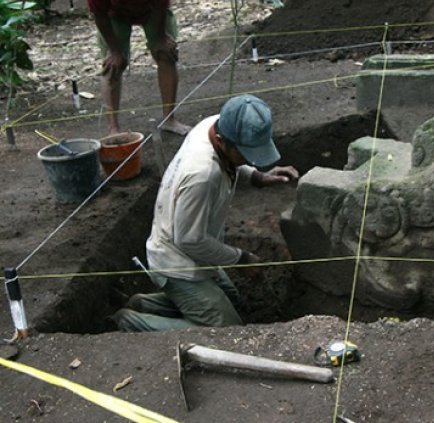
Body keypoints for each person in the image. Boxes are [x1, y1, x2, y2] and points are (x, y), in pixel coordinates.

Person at [112, 95, 299, 331]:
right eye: (246, 153)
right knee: (225, 331)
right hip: (176, 261)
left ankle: (146, 305)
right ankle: (131, 321)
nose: (251, 159)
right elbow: (190, 240)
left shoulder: (213, 125)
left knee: (233, 300)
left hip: (194, 249)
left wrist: (256, 176)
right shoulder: (202, 175)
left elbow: (231, 161)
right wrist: (242, 258)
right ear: (221, 141)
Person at [86, 0, 190, 135]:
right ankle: (113, 129)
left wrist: (160, 39)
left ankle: (170, 119)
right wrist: (115, 51)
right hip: (114, 14)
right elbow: (99, 16)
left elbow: (160, 6)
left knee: (165, 54)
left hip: (151, 11)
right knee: (113, 65)